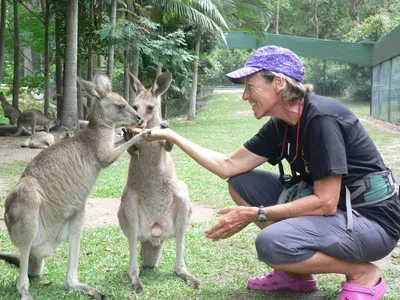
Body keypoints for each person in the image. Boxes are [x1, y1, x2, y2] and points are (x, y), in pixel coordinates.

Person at [130, 45, 400, 299]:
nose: (245, 96)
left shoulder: (321, 120)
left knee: (271, 243)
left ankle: (361, 273)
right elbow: (229, 165)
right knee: (241, 183)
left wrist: (257, 213)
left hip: (372, 222)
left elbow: (325, 202)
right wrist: (172, 136)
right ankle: (297, 273)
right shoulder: (281, 124)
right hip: (338, 211)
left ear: (278, 83)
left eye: (250, 87)